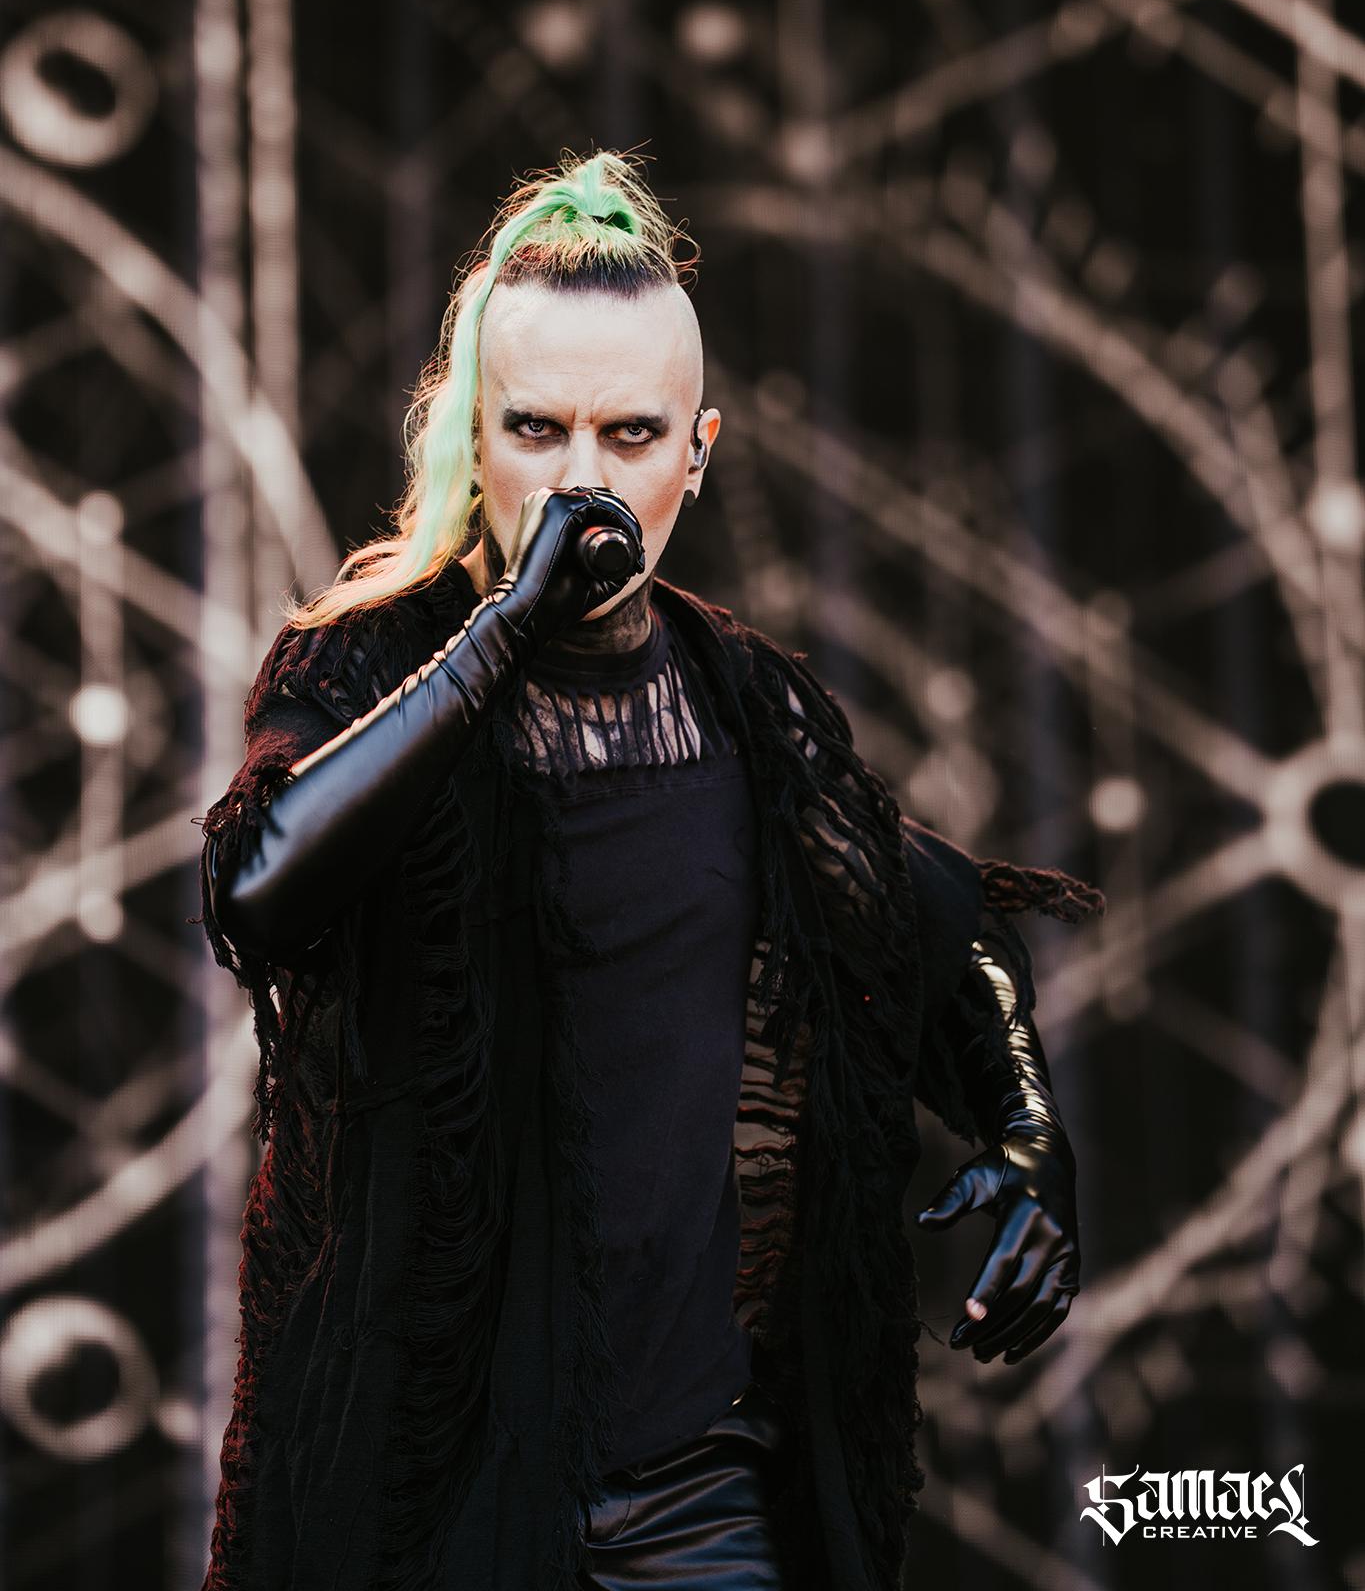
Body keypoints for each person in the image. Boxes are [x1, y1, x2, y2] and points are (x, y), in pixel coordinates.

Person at [193, 150, 1105, 1591]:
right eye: (536, 430)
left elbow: (938, 928)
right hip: (432, 1487)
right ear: (473, 438)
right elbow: (259, 888)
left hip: (696, 1495)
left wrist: (1027, 1133)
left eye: (629, 435)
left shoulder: (743, 705)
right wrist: (504, 629)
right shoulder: (362, 667)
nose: (582, 482)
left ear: (699, 450)